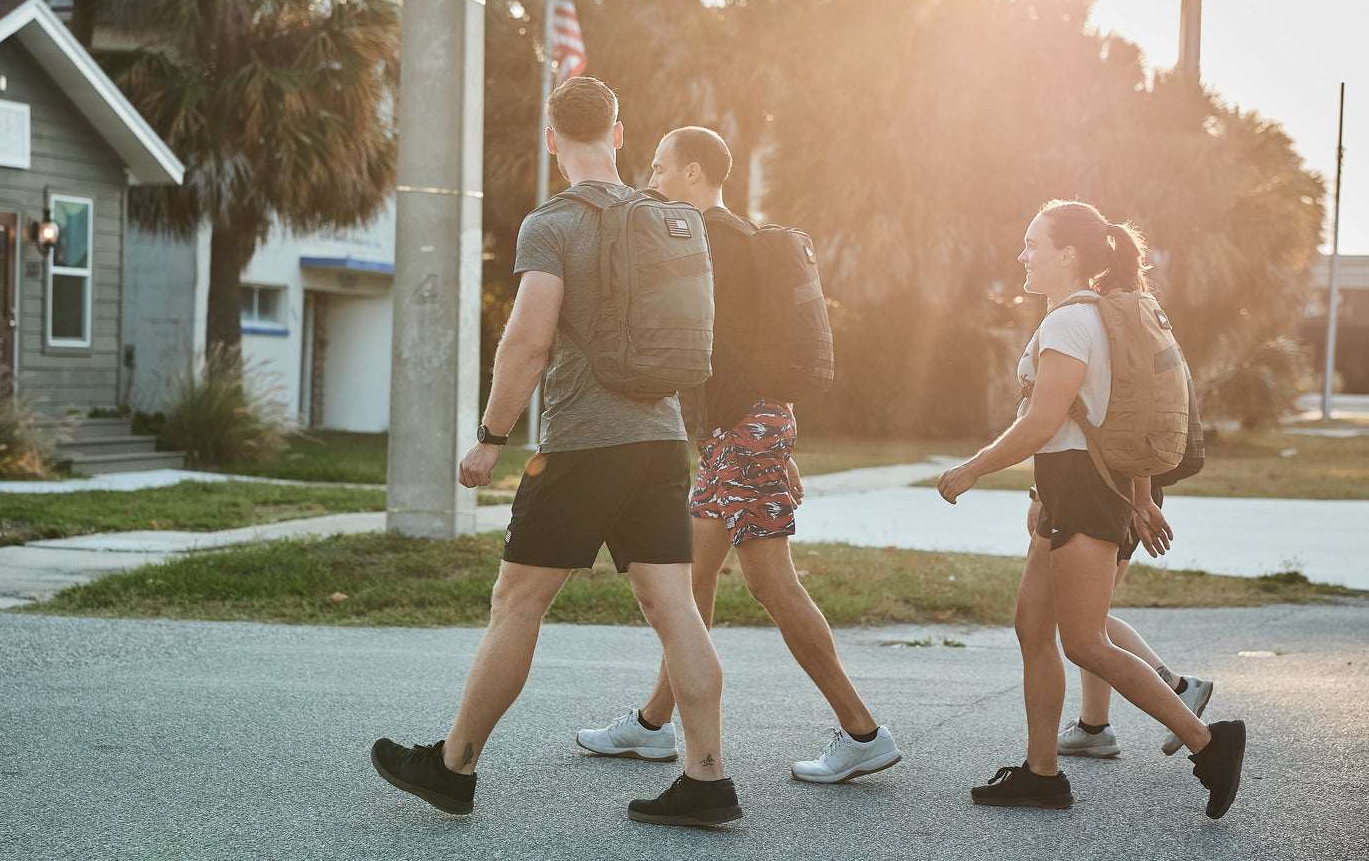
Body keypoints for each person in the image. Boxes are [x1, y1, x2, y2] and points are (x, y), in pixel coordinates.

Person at [371, 79, 741, 827]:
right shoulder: (669, 216)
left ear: (551, 139)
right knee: (674, 608)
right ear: (620, 132)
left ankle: (454, 766)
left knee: (518, 603)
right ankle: (706, 779)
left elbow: (529, 340)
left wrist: (491, 437)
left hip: (582, 445)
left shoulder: (553, 223)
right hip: (661, 437)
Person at [575, 126, 901, 784]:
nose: (653, 179)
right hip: (747, 430)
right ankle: (650, 725)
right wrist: (775, 438)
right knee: (691, 580)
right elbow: (749, 353)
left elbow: (694, 345)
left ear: (694, 174)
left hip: (742, 430)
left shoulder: (708, 242)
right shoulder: (741, 240)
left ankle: (861, 730)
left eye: (662, 168)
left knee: (767, 582)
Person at [936, 199, 1246, 819]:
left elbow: (1043, 421)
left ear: (1068, 254)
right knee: (1033, 626)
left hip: (1082, 490)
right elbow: (1093, 419)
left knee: (1083, 641)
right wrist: (1042, 492)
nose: (1023, 254)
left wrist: (972, 467)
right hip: (1070, 486)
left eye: (1033, 243)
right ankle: (1041, 772)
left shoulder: (1070, 323)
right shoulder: (1083, 318)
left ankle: (1209, 743)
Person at [1042, 481, 1214, 759]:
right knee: (1086, 618)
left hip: (1104, 494)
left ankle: (1178, 687)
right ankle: (1094, 727)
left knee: (1079, 619)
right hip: (1117, 493)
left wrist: (1039, 494)